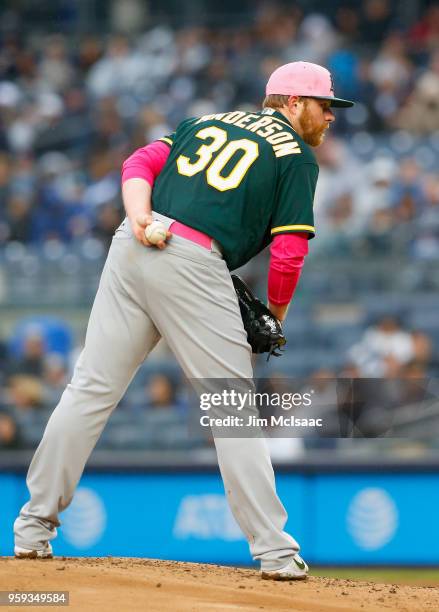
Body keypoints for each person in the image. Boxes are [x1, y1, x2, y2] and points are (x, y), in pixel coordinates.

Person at [14, 61, 353, 579]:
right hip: (192, 260)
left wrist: (140, 216)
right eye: (324, 105)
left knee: (88, 390)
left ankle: (32, 527)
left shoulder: (207, 121)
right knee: (232, 405)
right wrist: (276, 316)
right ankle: (276, 552)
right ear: (291, 103)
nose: (330, 116)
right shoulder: (297, 157)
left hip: (133, 244)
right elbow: (287, 254)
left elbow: (138, 162)